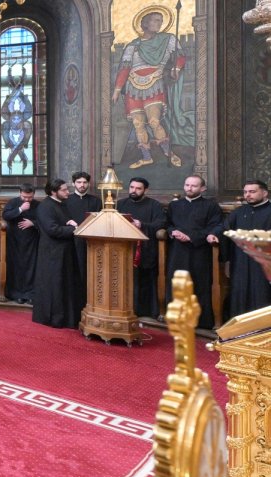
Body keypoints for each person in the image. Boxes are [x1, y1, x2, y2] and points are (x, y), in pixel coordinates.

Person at [112, 9, 188, 169]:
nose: (159, 23)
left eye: (160, 20)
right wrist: (117, 90)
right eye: (155, 20)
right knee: (138, 124)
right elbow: (124, 68)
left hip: (154, 83)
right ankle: (147, 157)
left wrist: (177, 69)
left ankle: (169, 154)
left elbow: (180, 56)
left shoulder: (168, 39)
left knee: (154, 121)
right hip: (133, 87)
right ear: (145, 23)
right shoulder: (132, 46)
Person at [166, 175, 223, 329]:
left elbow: (215, 226)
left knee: (199, 285)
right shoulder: (175, 205)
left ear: (202, 188)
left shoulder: (211, 206)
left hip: (199, 251)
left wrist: (191, 237)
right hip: (177, 251)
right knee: (177, 284)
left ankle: (200, 322)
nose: (189, 188)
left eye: (194, 186)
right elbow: (168, 224)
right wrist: (174, 232)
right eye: (187, 185)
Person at [32, 178, 82, 329]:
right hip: (52, 253)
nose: (68, 192)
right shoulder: (45, 207)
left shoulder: (61, 204)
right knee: (55, 285)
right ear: (54, 192)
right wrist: (74, 229)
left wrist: (70, 223)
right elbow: (52, 229)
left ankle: (67, 317)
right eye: (64, 190)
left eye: (67, 189)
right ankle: (55, 319)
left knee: (64, 284)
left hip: (64, 252)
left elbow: (63, 222)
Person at [116, 177, 166, 318]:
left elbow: (161, 223)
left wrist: (142, 224)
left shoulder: (154, 205)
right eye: (132, 187)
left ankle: (146, 311)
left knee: (145, 280)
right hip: (124, 248)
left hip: (146, 249)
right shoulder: (120, 204)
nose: (134, 190)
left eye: (138, 188)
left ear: (145, 190)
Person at [223, 180, 271, 321]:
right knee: (240, 294)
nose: (247, 195)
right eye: (245, 192)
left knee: (262, 294)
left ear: (264, 193)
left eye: (252, 191)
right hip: (241, 262)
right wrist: (213, 235)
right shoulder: (239, 212)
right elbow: (225, 228)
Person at [1, 183, 41, 304]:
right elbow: (6, 216)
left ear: (33, 194)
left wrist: (33, 223)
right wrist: (20, 209)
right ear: (20, 193)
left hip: (32, 241)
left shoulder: (39, 205)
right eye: (24, 197)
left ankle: (30, 295)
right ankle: (17, 294)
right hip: (15, 241)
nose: (27, 199)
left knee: (31, 268)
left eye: (29, 197)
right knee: (16, 267)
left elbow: (44, 220)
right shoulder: (13, 203)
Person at [64, 172, 101, 298]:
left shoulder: (96, 201)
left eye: (85, 182)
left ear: (89, 184)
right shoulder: (66, 200)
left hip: (90, 241)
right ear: (73, 183)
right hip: (71, 240)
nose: (82, 185)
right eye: (79, 182)